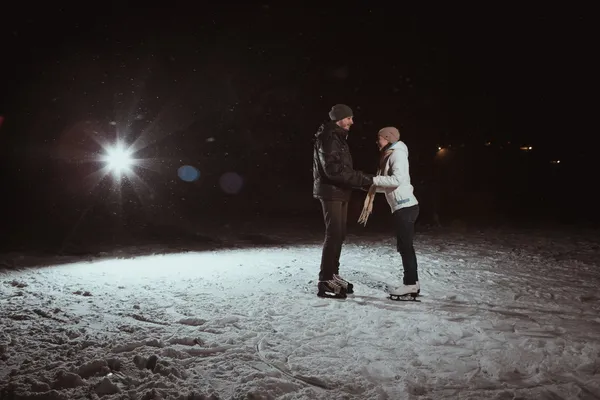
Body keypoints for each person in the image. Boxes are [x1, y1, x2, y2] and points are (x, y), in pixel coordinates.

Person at [313, 104, 374, 298]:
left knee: (339, 234)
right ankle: (324, 281)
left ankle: (333, 274)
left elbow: (342, 171)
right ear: (339, 119)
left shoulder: (339, 138)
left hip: (340, 191)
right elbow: (334, 171)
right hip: (331, 192)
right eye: (349, 118)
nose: (352, 122)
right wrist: (365, 180)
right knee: (333, 234)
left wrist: (360, 181)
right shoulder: (328, 138)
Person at [358, 127, 420, 298]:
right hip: (402, 206)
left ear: (388, 138)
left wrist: (372, 179)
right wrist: (369, 186)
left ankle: (410, 284)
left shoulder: (397, 154)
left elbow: (397, 180)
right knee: (405, 246)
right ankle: (413, 283)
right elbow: (390, 185)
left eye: (380, 138)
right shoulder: (390, 154)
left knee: (405, 247)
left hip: (405, 206)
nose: (377, 141)